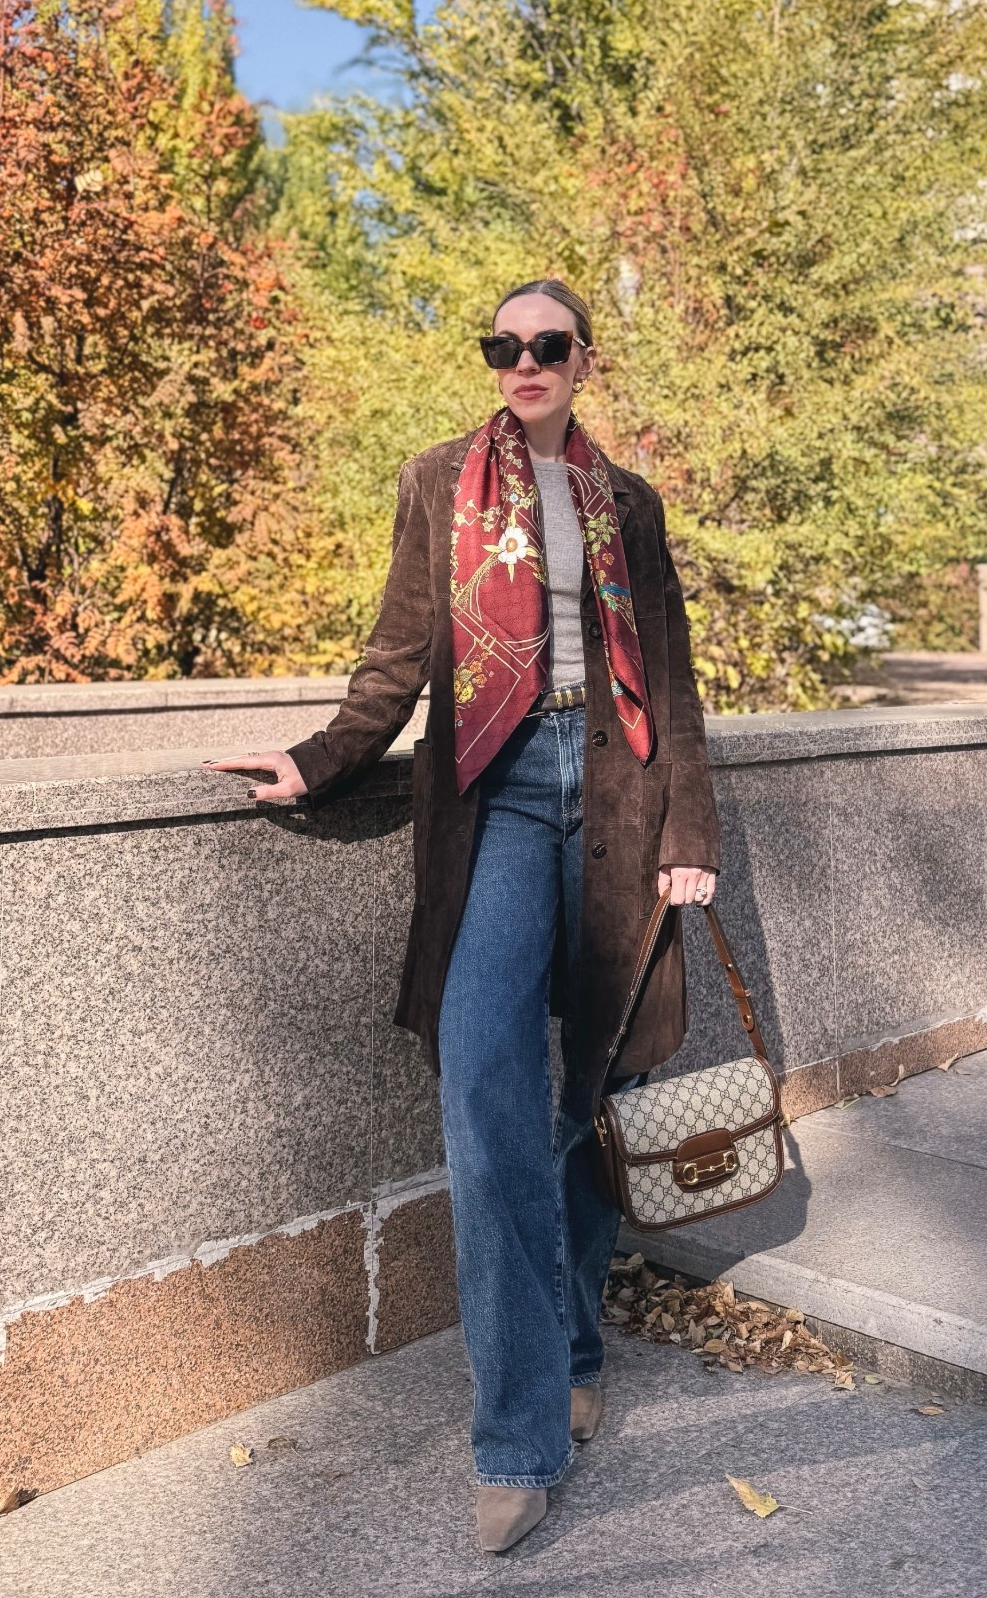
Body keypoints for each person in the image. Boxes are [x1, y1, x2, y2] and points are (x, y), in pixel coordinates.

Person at [206, 280, 720, 1554]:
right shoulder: (440, 480)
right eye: (505, 346)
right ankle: (520, 1436)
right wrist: (320, 758)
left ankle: (580, 1343)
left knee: (586, 1091)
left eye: (548, 345)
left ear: (583, 361)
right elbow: (399, 651)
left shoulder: (629, 504)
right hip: (491, 797)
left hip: (614, 796)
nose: (525, 362)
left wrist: (690, 833)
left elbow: (675, 670)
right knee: (485, 1085)